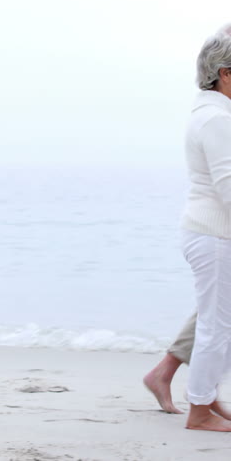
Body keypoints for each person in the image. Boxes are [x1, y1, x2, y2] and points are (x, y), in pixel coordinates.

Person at [144, 24, 231, 431]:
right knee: (216, 328)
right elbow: (228, 188)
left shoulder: (214, 114)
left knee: (219, 325)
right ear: (226, 73)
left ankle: (207, 399)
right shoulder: (216, 120)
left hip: (213, 234)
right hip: (215, 236)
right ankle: (199, 412)